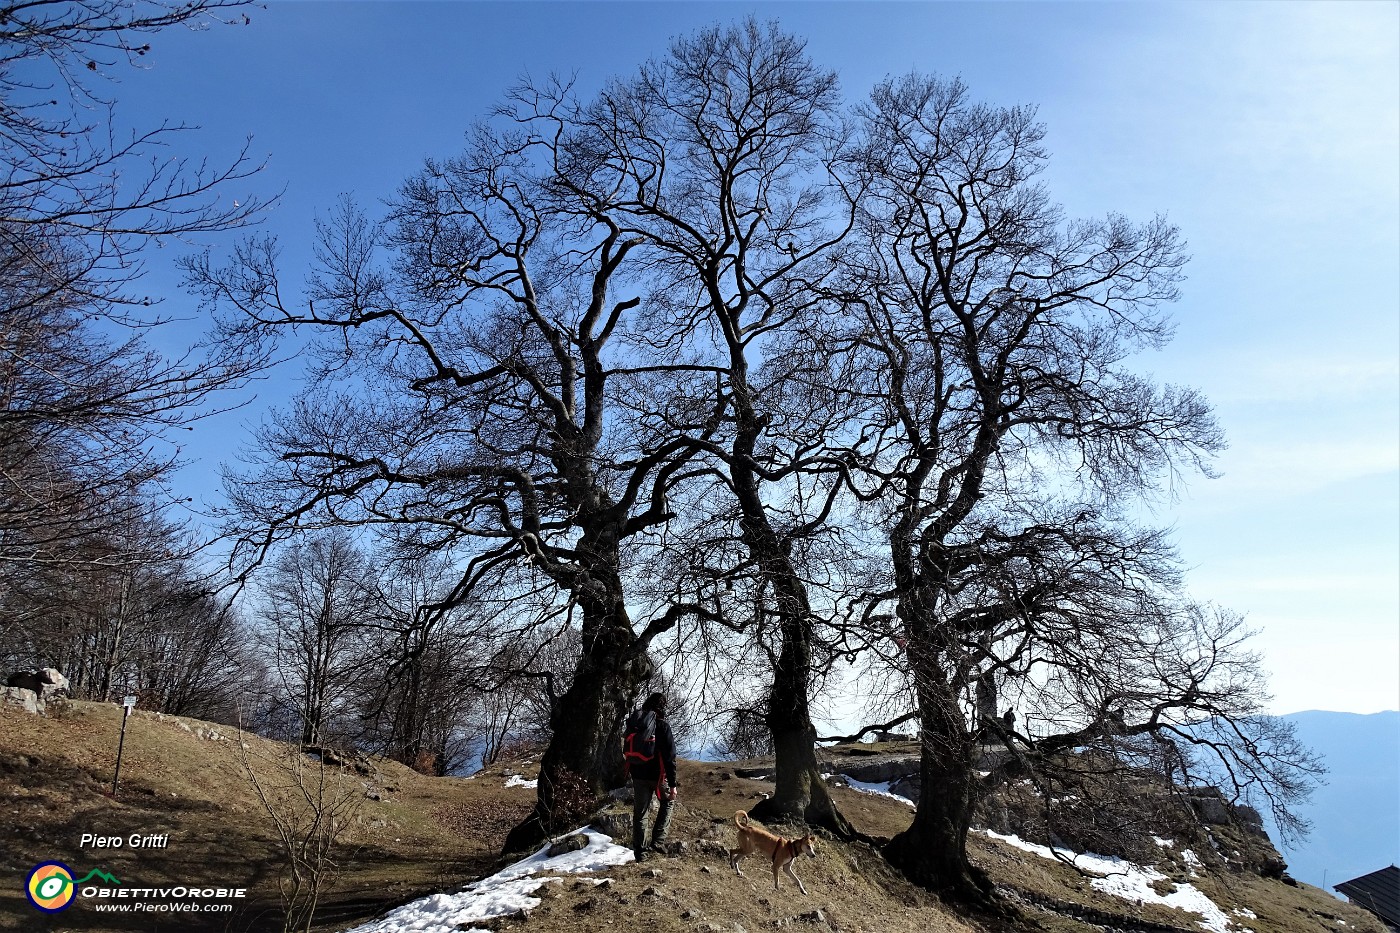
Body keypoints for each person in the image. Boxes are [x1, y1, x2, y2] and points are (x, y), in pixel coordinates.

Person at [626, 692, 678, 861]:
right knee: (668, 802)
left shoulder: (635, 724)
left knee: (640, 813)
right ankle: (658, 841)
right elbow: (670, 758)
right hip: (657, 777)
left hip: (637, 773)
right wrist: (673, 784)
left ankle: (640, 853)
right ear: (663, 707)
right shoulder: (662, 726)